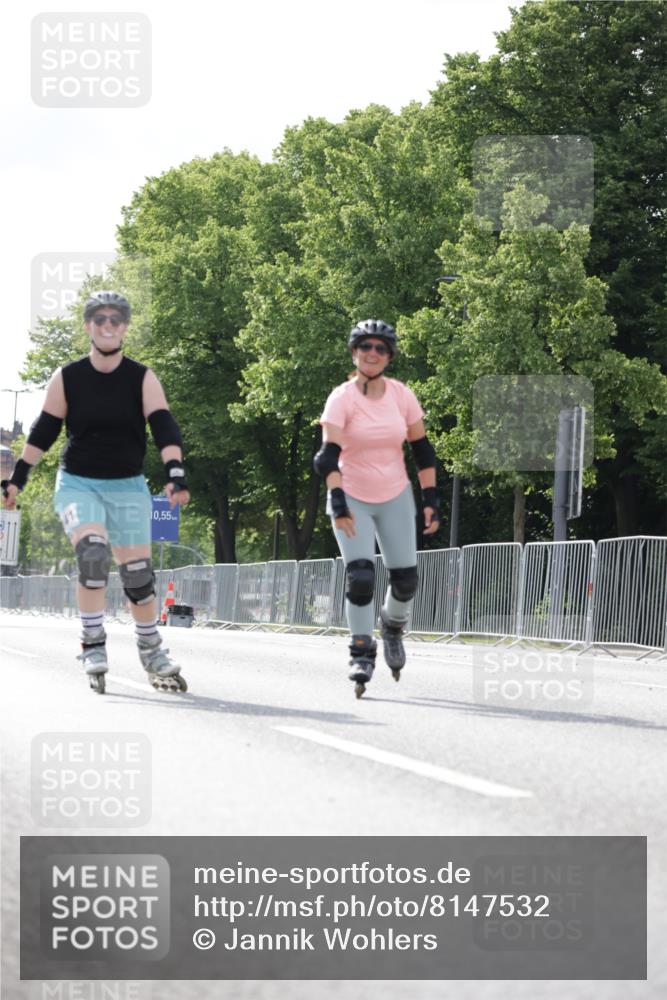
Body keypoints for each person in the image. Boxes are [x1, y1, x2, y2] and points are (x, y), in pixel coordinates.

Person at [1, 290, 191, 694]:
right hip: (78, 483)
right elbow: (44, 430)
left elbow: (163, 425)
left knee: (137, 575)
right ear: (88, 325)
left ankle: (151, 650)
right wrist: (17, 478)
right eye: (100, 319)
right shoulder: (68, 377)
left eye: (115, 319)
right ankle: (92, 643)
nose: (108, 326)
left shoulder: (142, 377)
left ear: (125, 327)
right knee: (92, 555)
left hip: (128, 486)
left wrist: (176, 474)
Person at [314, 319, 440, 697]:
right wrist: (338, 500)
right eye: (365, 346)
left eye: (380, 348)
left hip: (395, 496)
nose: (372, 353)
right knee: (361, 577)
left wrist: (431, 500)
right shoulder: (341, 398)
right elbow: (327, 456)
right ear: (354, 352)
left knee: (405, 581)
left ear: (389, 356)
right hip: (351, 496)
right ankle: (360, 650)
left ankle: (393, 625)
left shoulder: (402, 396)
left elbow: (422, 451)